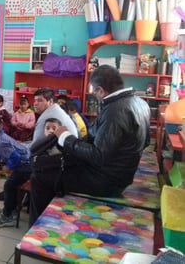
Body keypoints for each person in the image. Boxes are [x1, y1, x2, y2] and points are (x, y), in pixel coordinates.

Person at [29, 65, 151, 226]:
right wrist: (74, 142)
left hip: (106, 181)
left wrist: (66, 138)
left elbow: (97, 155)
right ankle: (49, 219)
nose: (96, 97)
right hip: (120, 174)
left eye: (95, 93)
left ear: (100, 90)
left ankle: (40, 229)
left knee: (39, 177)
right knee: (50, 164)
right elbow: (146, 141)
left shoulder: (115, 110)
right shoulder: (139, 102)